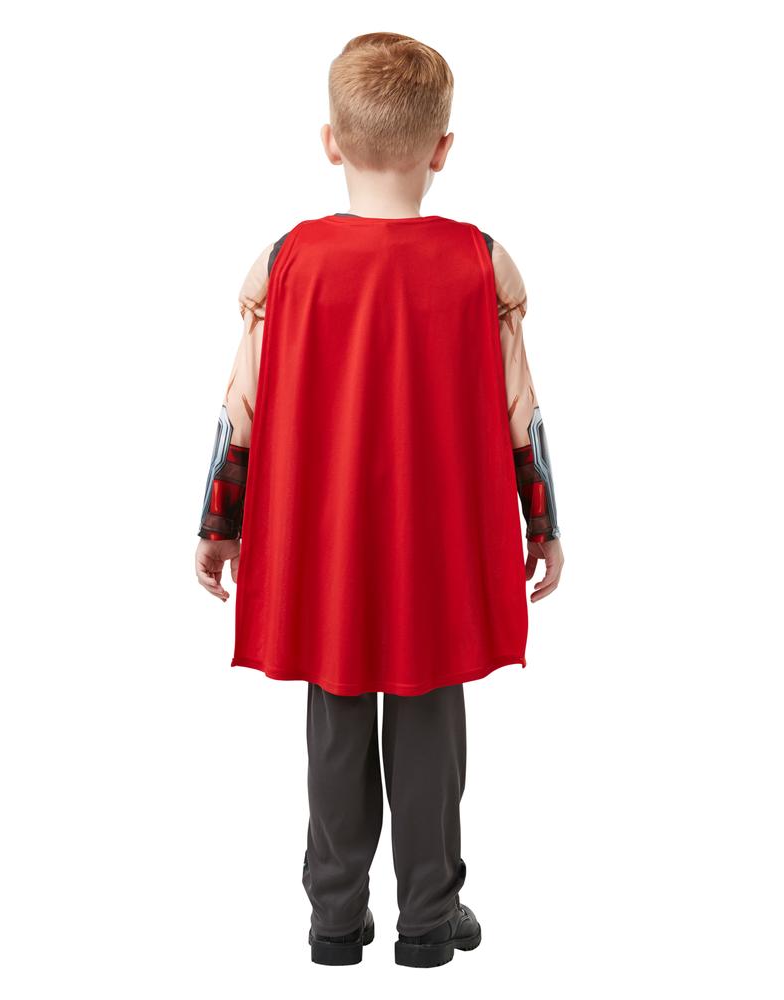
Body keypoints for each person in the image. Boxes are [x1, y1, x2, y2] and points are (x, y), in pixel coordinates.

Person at [192, 32, 564, 968]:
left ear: (330, 141)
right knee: (432, 716)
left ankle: (334, 919)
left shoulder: (288, 261)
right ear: (443, 149)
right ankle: (429, 921)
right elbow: (521, 413)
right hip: (437, 545)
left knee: (336, 717)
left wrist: (217, 525)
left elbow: (240, 409)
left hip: (326, 544)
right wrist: (545, 523)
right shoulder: (481, 261)